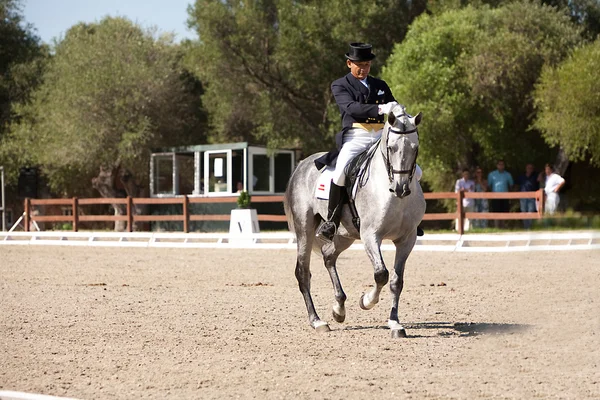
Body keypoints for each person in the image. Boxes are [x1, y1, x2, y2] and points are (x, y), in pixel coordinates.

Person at [314, 42, 423, 241]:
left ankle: (411, 218)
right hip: (357, 136)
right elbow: (352, 108)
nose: (363, 69)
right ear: (349, 63)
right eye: (359, 65)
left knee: (415, 171)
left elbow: (394, 105)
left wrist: (400, 111)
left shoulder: (380, 85)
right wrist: (381, 109)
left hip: (380, 137)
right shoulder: (340, 85)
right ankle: (331, 221)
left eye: (367, 65)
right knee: (339, 174)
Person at [487, 159, 514, 228]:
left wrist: (509, 194)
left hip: (505, 196)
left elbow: (511, 185)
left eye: (502, 164)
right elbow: (489, 185)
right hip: (495, 196)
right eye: (499, 164)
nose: (501, 166)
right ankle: (496, 227)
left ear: (504, 166)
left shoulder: (508, 175)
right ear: (497, 165)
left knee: (504, 211)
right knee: (496, 211)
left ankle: (503, 227)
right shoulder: (492, 174)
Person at [516, 163, 539, 229]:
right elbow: (516, 185)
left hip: (532, 197)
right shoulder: (521, 176)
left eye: (531, 168)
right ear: (526, 168)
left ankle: (529, 227)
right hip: (522, 196)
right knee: (523, 211)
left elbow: (540, 179)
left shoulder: (535, 176)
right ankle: (525, 227)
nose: (529, 169)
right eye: (528, 168)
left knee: (530, 211)